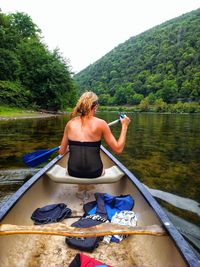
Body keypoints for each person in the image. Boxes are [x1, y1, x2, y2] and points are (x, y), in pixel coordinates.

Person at [59, 91, 130, 178]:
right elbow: (118, 149)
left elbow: (61, 152)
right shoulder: (101, 123)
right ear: (95, 107)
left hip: (73, 172)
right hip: (95, 172)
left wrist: (70, 146)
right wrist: (125, 126)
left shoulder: (70, 123)